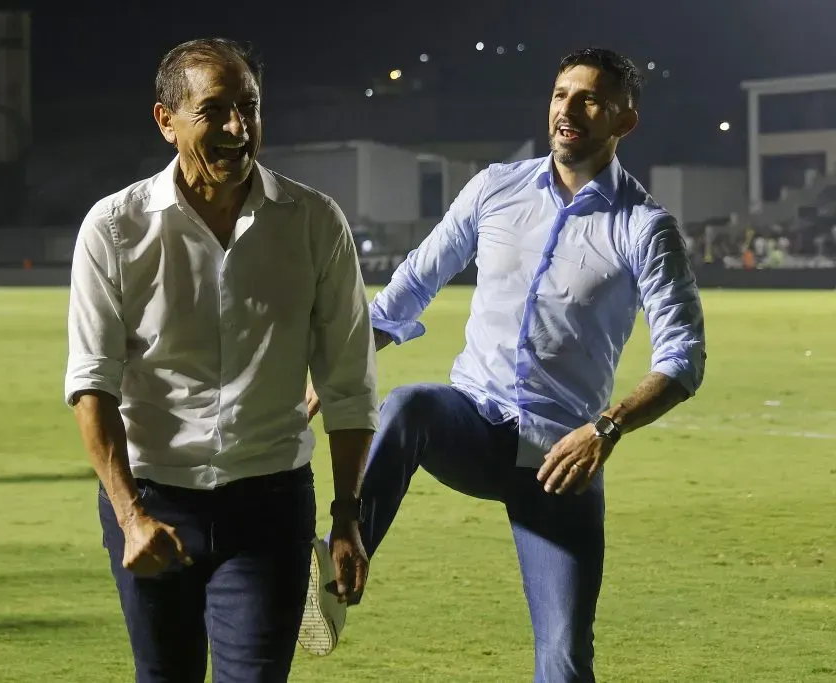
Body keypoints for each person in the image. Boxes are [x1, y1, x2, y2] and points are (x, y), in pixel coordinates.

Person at [298, 47, 707, 683]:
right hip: (473, 426)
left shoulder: (644, 228)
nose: (567, 109)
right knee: (410, 406)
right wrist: (340, 366)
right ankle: (341, 561)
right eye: (559, 94)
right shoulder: (495, 188)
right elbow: (414, 282)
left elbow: (683, 356)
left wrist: (607, 426)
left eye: (589, 99)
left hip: (560, 458)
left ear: (625, 121)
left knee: (566, 659)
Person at [64, 37, 377, 683]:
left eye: (251, 107)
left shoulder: (315, 222)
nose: (239, 128)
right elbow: (92, 382)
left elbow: (348, 384)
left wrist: (348, 517)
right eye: (215, 110)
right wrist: (130, 516)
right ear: (166, 121)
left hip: (270, 505)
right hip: (153, 504)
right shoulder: (115, 227)